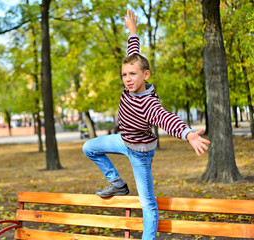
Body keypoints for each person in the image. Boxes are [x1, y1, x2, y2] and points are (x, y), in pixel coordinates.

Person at [82, 9, 210, 240]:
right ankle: (117, 183)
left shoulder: (148, 104)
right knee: (89, 147)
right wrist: (133, 31)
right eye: (124, 75)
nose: (128, 79)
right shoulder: (131, 82)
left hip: (140, 152)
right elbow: (134, 53)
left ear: (146, 75)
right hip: (123, 140)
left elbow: (166, 118)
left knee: (147, 203)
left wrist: (188, 133)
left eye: (133, 74)